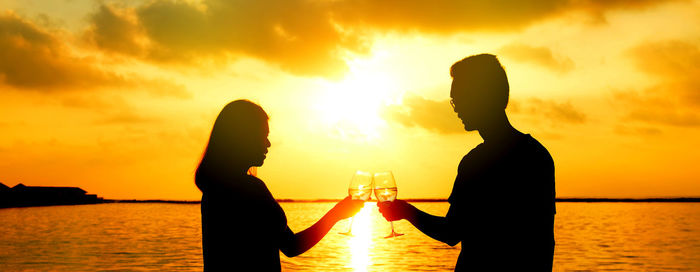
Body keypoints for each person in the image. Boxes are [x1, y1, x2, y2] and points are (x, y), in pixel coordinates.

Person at [379, 54, 556, 271]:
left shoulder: (476, 163)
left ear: (480, 98)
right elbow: (544, 239)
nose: (455, 108)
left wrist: (405, 211)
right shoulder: (538, 155)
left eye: (459, 99)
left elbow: (451, 232)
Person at [195, 100, 363, 271]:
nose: (268, 144)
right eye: (263, 136)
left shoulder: (214, 189)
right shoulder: (250, 189)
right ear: (244, 138)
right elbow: (292, 246)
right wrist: (336, 214)